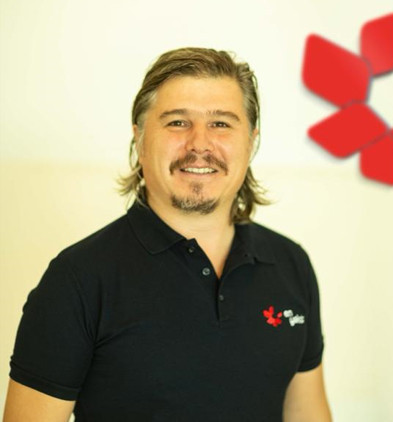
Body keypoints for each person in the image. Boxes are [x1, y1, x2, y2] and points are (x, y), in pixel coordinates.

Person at [3, 47, 332, 421]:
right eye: (177, 122)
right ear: (140, 138)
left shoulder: (291, 264)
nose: (199, 143)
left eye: (221, 123)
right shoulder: (77, 279)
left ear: (251, 140)